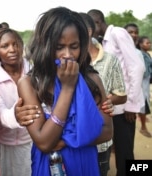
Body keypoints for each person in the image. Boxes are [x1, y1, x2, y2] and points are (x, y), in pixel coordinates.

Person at [16, 7, 113, 176]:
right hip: (50, 165)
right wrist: (67, 88)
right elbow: (45, 143)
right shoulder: (30, 84)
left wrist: (63, 140)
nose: (67, 55)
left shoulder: (92, 80)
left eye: (74, 46)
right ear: (44, 45)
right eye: (59, 47)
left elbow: (106, 132)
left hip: (85, 163)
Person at [88, 9, 145, 176]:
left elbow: (136, 66)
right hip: (112, 108)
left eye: (91, 28)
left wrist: (131, 105)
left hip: (124, 107)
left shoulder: (118, 34)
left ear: (97, 23)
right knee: (116, 149)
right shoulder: (102, 41)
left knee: (125, 153)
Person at [79, 12, 127, 176]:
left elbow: (122, 95)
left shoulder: (109, 60)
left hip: (101, 141)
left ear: (89, 31)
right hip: (73, 141)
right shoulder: (68, 60)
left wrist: (105, 101)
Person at [0, 28, 32, 176]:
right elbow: (0, 111)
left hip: (35, 143)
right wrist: (15, 116)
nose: (12, 49)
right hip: (6, 146)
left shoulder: (35, 72)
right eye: (5, 46)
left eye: (16, 43)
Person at [136, 34, 152, 137]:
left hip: (146, 81)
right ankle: (143, 127)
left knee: (145, 100)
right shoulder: (140, 54)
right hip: (142, 81)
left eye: (150, 43)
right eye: (147, 43)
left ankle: (143, 119)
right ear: (141, 44)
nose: (149, 44)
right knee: (143, 102)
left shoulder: (147, 54)